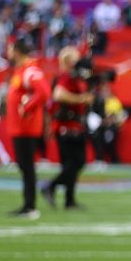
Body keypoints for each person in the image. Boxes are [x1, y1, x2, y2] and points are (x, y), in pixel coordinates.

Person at [42, 49, 94, 210]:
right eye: (75, 60)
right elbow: (58, 95)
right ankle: (51, 186)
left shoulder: (75, 78)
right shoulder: (65, 77)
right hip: (66, 126)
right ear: (67, 61)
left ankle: (69, 200)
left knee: (71, 164)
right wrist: (81, 99)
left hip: (74, 125)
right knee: (77, 161)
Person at [5, 37, 49, 218]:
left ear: (16, 51)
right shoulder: (22, 70)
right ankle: (27, 204)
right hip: (20, 127)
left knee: (27, 167)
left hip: (26, 128)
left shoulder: (30, 70)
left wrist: (27, 107)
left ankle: (30, 206)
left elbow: (44, 92)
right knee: (24, 167)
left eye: (10, 49)